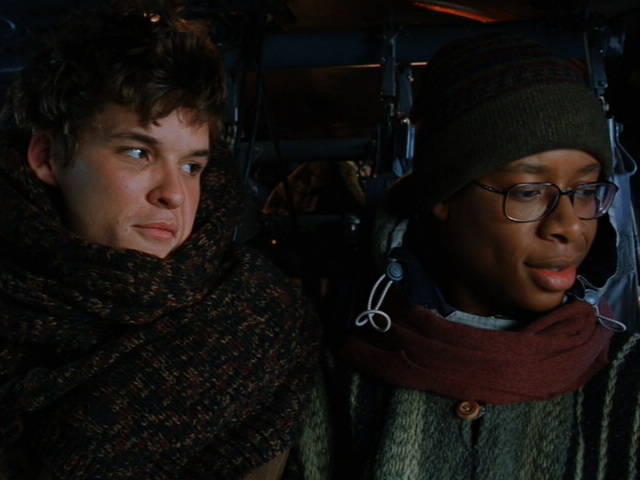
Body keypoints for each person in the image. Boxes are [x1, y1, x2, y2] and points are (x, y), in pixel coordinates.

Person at [291, 33, 640, 479]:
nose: (570, 226)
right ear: (444, 194)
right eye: (528, 192)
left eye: (587, 190)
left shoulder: (628, 381)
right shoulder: (335, 380)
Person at [0, 2, 319, 479]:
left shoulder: (254, 317)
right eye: (137, 152)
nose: (174, 193)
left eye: (191, 166)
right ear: (48, 156)